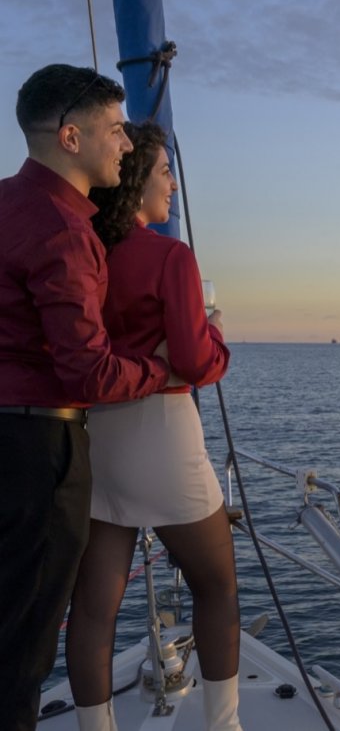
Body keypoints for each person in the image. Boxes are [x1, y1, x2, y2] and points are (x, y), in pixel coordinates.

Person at [0, 65, 173, 730]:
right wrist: (157, 368)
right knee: (20, 653)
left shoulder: (9, 203)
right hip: (38, 452)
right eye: (114, 131)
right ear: (70, 137)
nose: (128, 146)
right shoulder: (63, 230)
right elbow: (90, 373)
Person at [64, 121, 242, 731]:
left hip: (95, 439)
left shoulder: (82, 250)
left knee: (93, 608)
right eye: (165, 172)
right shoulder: (171, 255)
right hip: (163, 435)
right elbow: (195, 363)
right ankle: (223, 725)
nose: (173, 185)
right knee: (216, 587)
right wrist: (214, 331)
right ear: (136, 180)